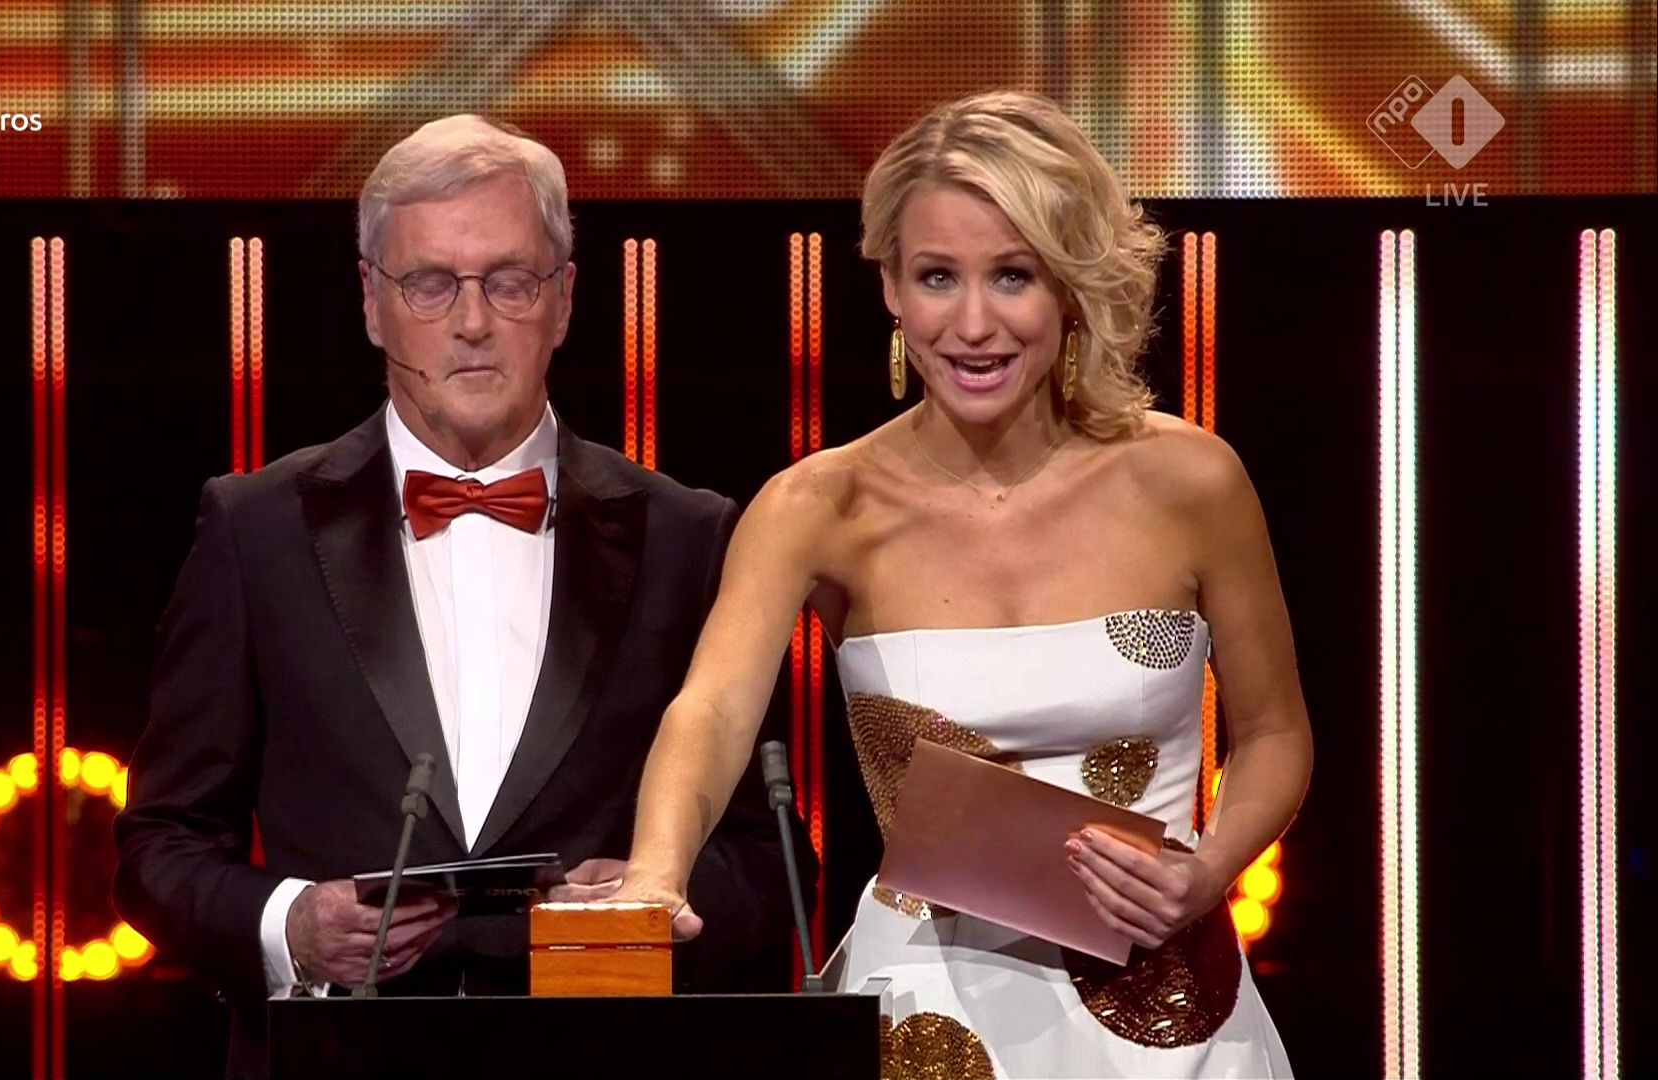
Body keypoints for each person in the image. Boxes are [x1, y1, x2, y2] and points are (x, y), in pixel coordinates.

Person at [615, 91, 1308, 1077]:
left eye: (1012, 276)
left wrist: (1206, 874)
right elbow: (713, 710)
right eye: (938, 277)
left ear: (1069, 286)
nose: (973, 325)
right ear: (891, 287)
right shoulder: (819, 505)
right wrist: (655, 875)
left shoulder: (1192, 481)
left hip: (1171, 1010)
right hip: (927, 1015)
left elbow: (1275, 733)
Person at [114, 114, 811, 1080]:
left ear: (563, 300)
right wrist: (293, 926)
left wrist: (661, 903)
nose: (473, 323)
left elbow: (772, 861)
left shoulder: (687, 536)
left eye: (510, 282)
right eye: (431, 284)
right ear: (372, 303)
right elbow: (162, 846)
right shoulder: (257, 529)